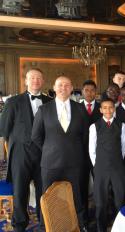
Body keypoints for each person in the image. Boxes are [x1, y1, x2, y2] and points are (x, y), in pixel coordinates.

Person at [31, 76, 89, 231]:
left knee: (76, 195)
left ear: (71, 89)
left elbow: (85, 136)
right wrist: (50, 149)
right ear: (54, 89)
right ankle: (47, 226)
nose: (63, 88)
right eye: (60, 85)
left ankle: (79, 225)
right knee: (49, 197)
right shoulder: (44, 109)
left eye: (67, 85)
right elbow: (35, 136)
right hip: (51, 163)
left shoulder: (80, 108)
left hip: (75, 163)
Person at [0, 68, 51, 232]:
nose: (36, 80)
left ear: (43, 81)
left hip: (44, 154)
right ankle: (20, 224)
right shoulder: (13, 102)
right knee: (20, 191)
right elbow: (4, 130)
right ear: (26, 81)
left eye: (39, 78)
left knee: (43, 191)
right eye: (32, 78)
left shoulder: (50, 101)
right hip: (21, 155)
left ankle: (44, 222)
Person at [89, 97, 125, 232]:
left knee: (120, 199)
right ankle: (101, 228)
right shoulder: (94, 127)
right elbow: (91, 149)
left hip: (117, 167)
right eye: (104, 108)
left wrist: (116, 161)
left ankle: (121, 227)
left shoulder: (121, 126)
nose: (108, 110)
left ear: (114, 109)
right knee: (100, 202)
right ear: (100, 110)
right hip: (100, 168)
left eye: (111, 107)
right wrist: (98, 165)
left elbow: (123, 147)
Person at [81, 79, 102, 222]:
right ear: (82, 92)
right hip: (80, 153)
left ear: (96, 92)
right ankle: (83, 216)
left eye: (92, 90)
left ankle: (101, 211)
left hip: (98, 153)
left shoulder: (102, 108)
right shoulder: (75, 107)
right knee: (82, 183)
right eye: (86, 90)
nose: (89, 93)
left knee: (99, 182)